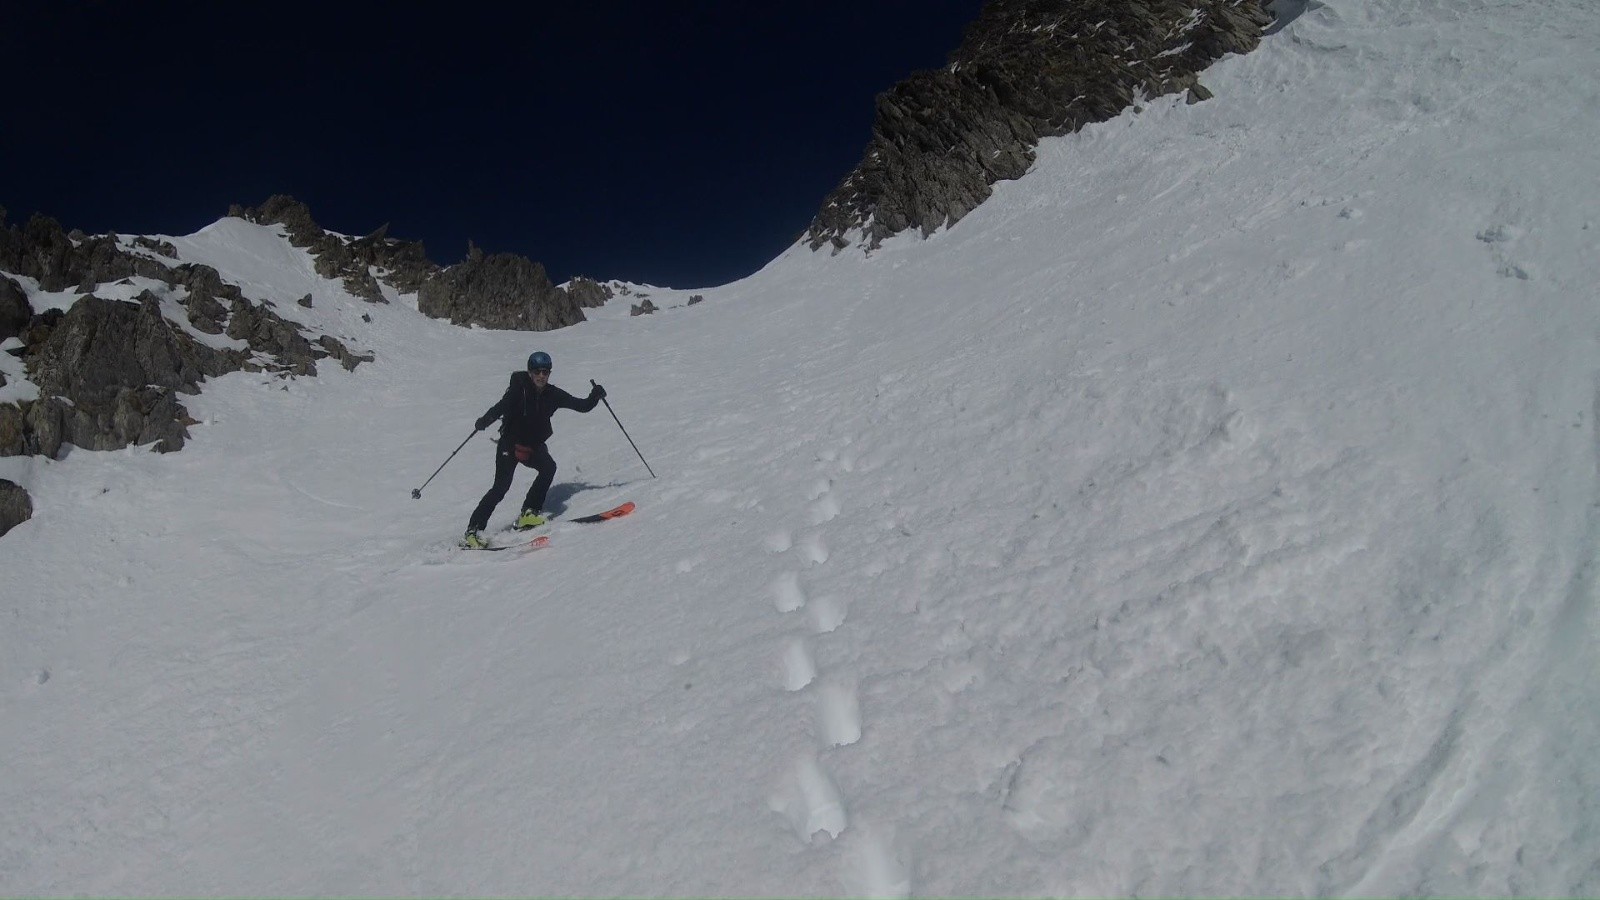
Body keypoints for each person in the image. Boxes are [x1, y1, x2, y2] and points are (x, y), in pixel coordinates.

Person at [462, 351, 605, 548]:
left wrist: (594, 396)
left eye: (545, 372)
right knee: (500, 487)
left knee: (548, 468)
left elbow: (581, 406)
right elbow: (500, 407)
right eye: (537, 371)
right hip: (510, 444)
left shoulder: (553, 394)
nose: (541, 376)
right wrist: (484, 421)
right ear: (529, 372)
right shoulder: (518, 390)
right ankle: (473, 531)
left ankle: (529, 513)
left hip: (533, 445)